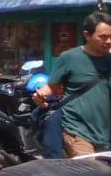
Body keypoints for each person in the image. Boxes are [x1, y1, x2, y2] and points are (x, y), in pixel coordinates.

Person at [34, 11, 111, 157]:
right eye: (103, 37)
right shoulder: (69, 58)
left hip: (105, 133)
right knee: (89, 174)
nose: (108, 41)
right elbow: (51, 86)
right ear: (87, 35)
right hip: (77, 129)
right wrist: (41, 95)